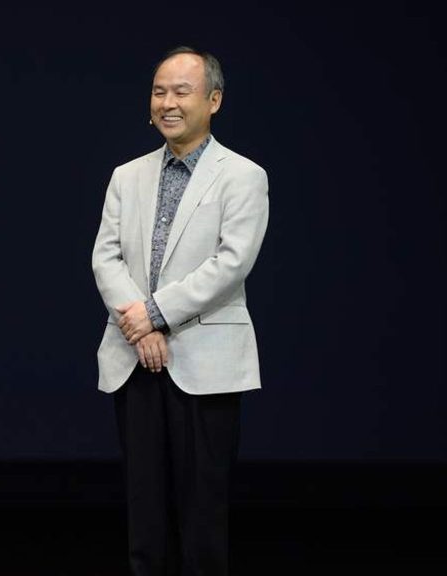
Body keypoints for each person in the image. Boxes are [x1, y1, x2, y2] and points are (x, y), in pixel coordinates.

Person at [91, 46, 269, 576]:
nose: (167, 103)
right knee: (143, 509)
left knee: (202, 510)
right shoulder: (127, 175)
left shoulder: (243, 175)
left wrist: (156, 314)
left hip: (205, 360)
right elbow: (105, 257)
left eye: (181, 92)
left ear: (214, 100)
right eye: (158, 92)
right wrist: (141, 324)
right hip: (134, 355)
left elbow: (231, 263)